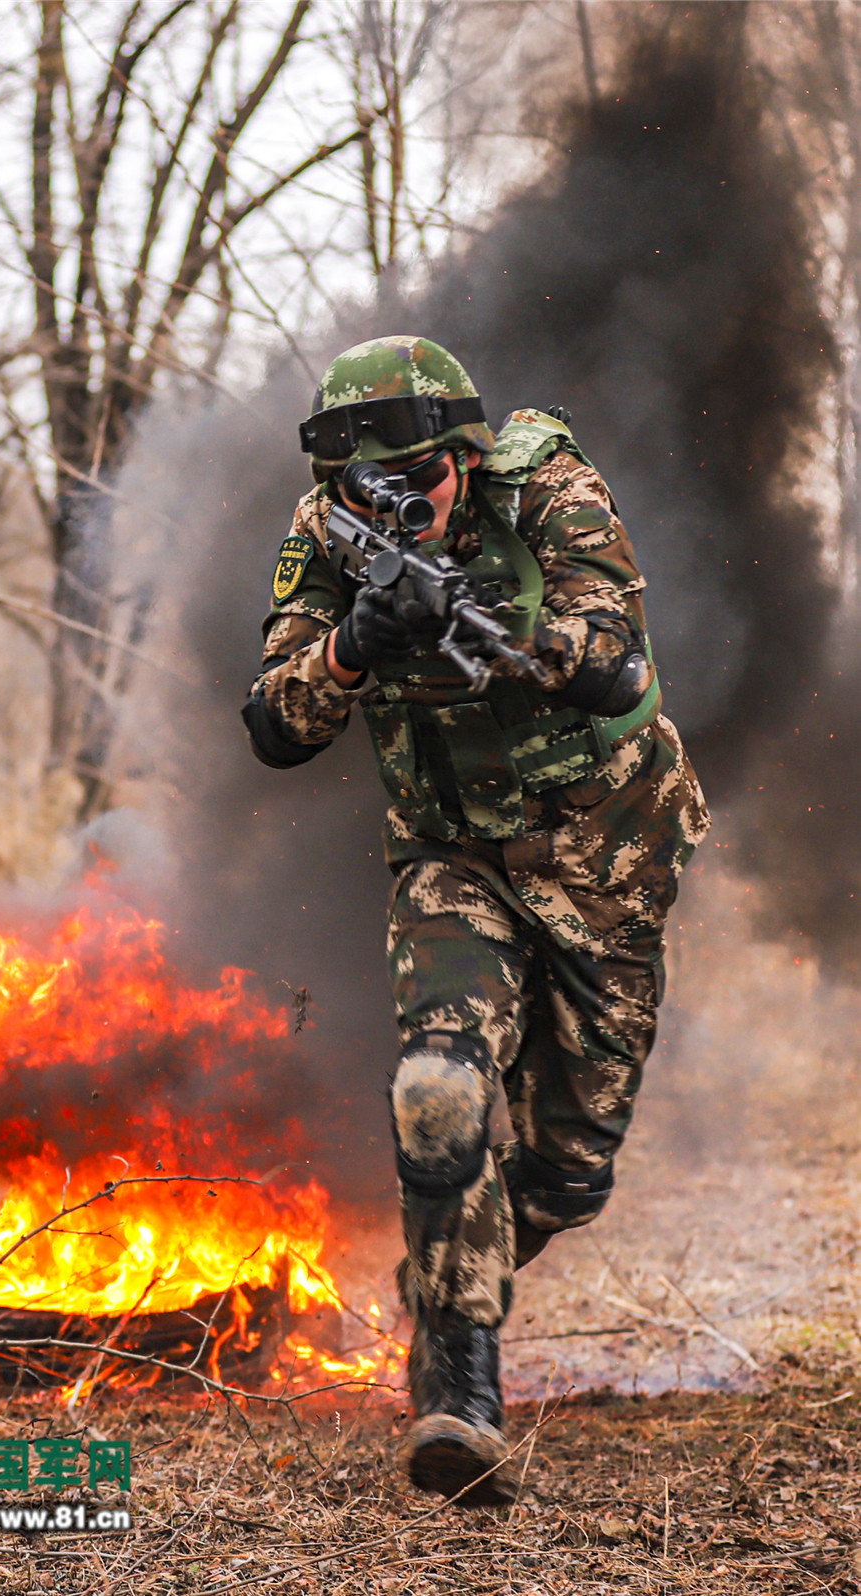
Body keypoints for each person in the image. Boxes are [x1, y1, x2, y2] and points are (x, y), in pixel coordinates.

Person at [242, 335, 710, 1507]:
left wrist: (493, 630)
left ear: (464, 455)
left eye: (422, 477)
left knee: (564, 1174)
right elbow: (275, 724)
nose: (398, 502)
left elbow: (617, 666)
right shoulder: (324, 534)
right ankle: (460, 1394)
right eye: (365, 487)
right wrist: (357, 646)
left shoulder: (546, 487)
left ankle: (445, 1278)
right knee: (441, 1094)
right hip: (453, 855)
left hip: (607, 852)